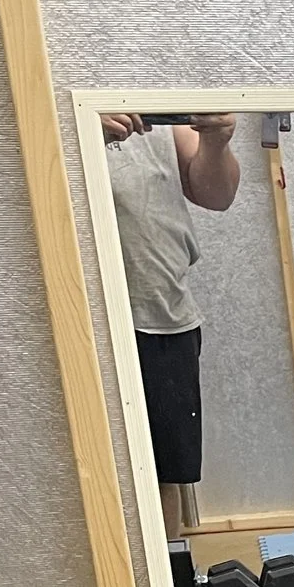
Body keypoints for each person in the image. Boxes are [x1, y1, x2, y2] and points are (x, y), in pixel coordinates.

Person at [102, 112, 241, 534]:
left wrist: (216, 140)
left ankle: (166, 573)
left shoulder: (146, 84)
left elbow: (216, 195)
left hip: (162, 310)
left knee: (163, 473)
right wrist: (79, 136)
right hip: (85, 316)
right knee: (96, 470)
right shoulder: (42, 92)